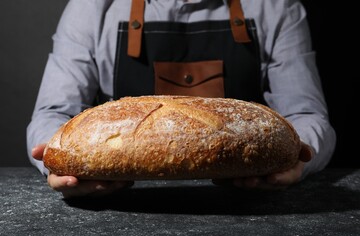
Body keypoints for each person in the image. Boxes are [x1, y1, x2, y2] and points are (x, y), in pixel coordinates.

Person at [27, 0, 336, 198]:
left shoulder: (275, 7)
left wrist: (296, 161)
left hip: (246, 200)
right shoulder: (92, 8)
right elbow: (52, 114)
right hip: (123, 201)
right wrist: (60, 167)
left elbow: (307, 114)